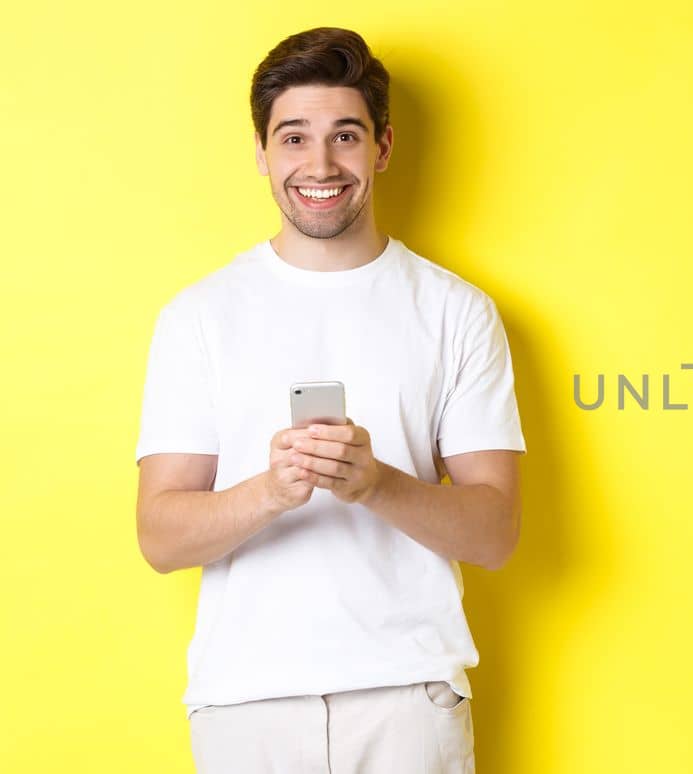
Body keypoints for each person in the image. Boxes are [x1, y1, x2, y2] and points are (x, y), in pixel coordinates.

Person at [133, 26, 523, 774]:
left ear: (382, 148)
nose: (319, 165)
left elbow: (496, 531)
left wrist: (376, 483)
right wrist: (271, 490)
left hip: (410, 699)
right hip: (245, 705)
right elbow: (159, 536)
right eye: (294, 138)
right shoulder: (198, 317)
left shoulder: (456, 311)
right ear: (261, 153)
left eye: (345, 135)